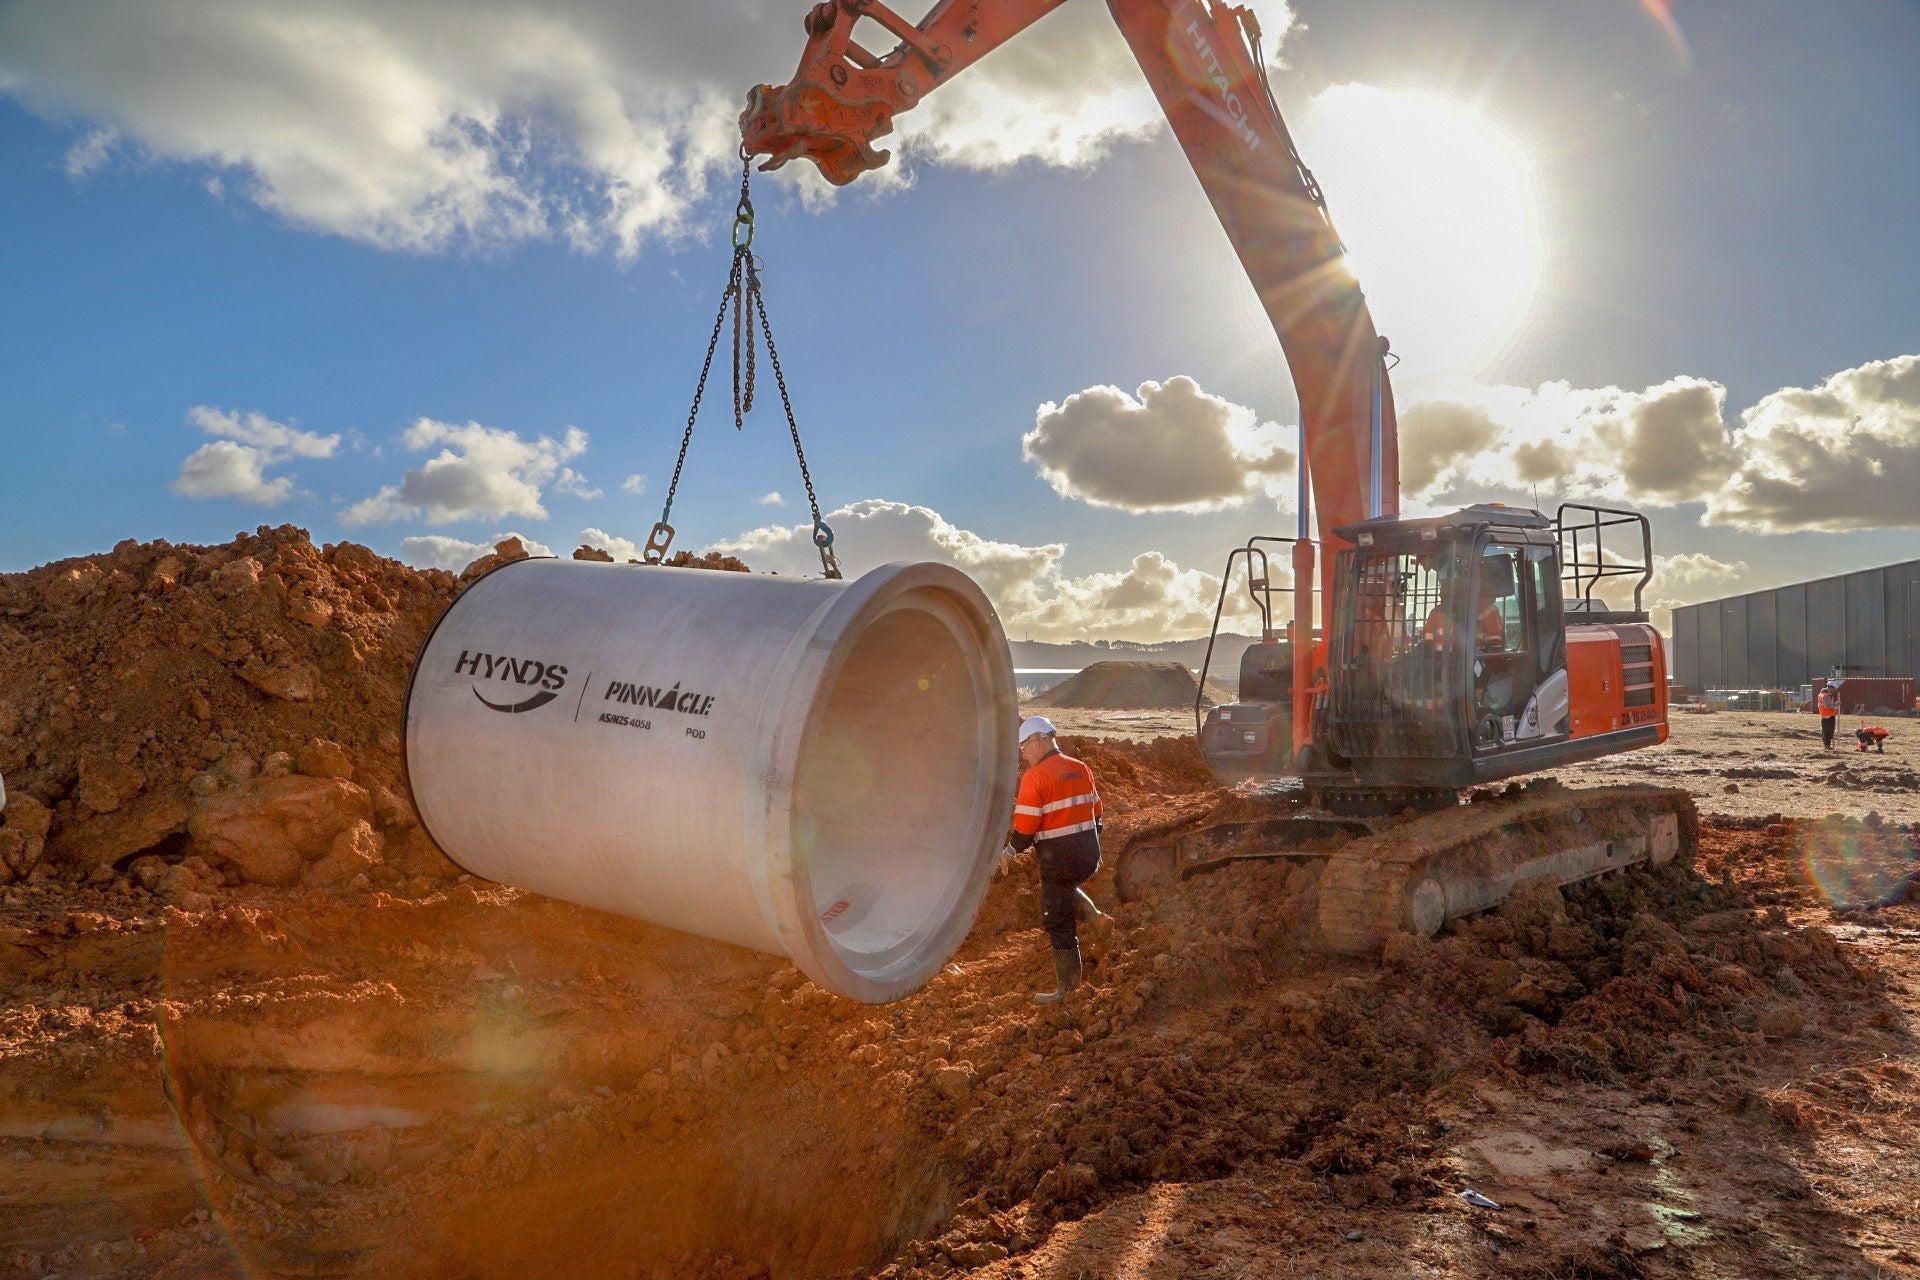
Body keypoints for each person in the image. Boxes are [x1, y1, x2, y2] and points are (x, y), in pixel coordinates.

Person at [1004, 715, 1112, 1004]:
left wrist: (1010, 851)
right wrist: (1089, 846)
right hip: (1089, 856)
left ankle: (1068, 993)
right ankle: (1096, 918)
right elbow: (1097, 812)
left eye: (1023, 748)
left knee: (1058, 920)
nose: (1023, 755)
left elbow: (1026, 827)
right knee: (1066, 889)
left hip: (1059, 861)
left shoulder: (1036, 776)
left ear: (1037, 742)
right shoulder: (1081, 768)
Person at [1818, 680, 1841, 749]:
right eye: (1834, 688)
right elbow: (1827, 706)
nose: (1834, 690)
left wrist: (1834, 706)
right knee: (1828, 732)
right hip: (1828, 717)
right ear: (1830, 687)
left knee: (1826, 731)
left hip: (1826, 716)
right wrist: (1836, 705)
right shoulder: (1826, 695)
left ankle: (1827, 745)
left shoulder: (1822, 694)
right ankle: (1827, 746)